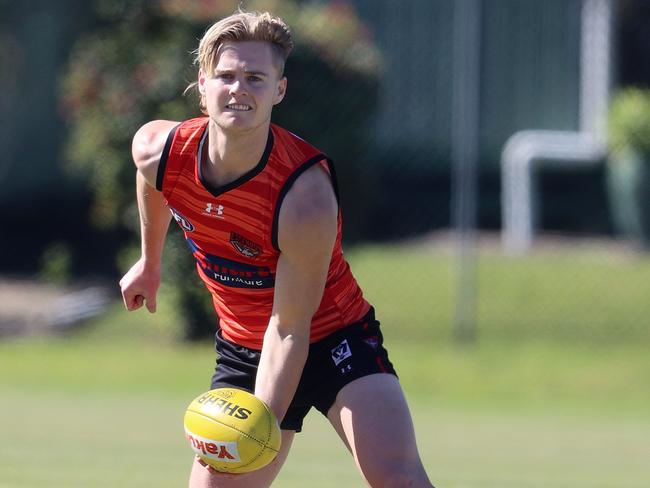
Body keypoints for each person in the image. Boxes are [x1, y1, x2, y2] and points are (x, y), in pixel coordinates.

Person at [119, 9, 434, 488]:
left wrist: (259, 424)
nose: (238, 89)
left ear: (278, 91)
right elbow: (153, 181)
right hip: (245, 346)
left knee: (398, 479)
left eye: (255, 78)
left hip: (335, 338)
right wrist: (150, 261)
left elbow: (290, 328)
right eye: (225, 76)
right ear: (202, 86)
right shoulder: (158, 151)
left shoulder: (302, 196)